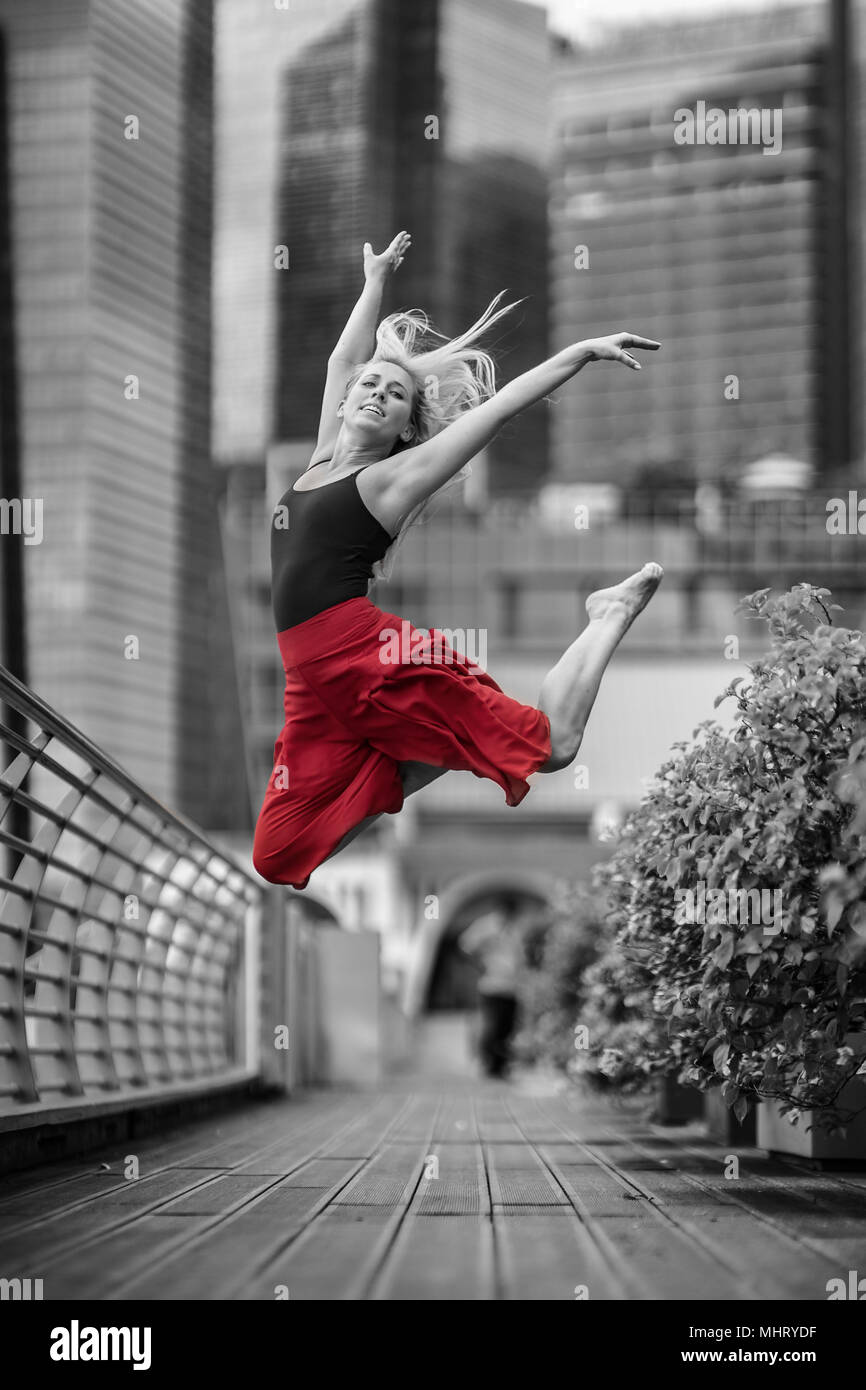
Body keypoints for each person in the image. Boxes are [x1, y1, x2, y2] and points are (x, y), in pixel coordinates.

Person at [252, 231, 663, 889]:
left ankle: (606, 616)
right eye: (372, 385)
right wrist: (375, 281)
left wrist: (577, 354)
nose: (374, 393)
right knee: (276, 855)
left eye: (393, 396)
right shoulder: (323, 459)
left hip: (369, 659)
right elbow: (343, 359)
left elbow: (496, 412)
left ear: (405, 432)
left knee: (552, 747)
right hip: (313, 683)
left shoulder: (389, 482)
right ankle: (410, 758)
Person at [458, 897, 526, 1079]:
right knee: (493, 1026)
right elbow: (465, 946)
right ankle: (487, 1064)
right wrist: (480, 965)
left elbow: (519, 959)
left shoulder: (514, 930)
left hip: (511, 986)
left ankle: (500, 1066)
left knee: (507, 1027)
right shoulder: (486, 926)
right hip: (492, 985)